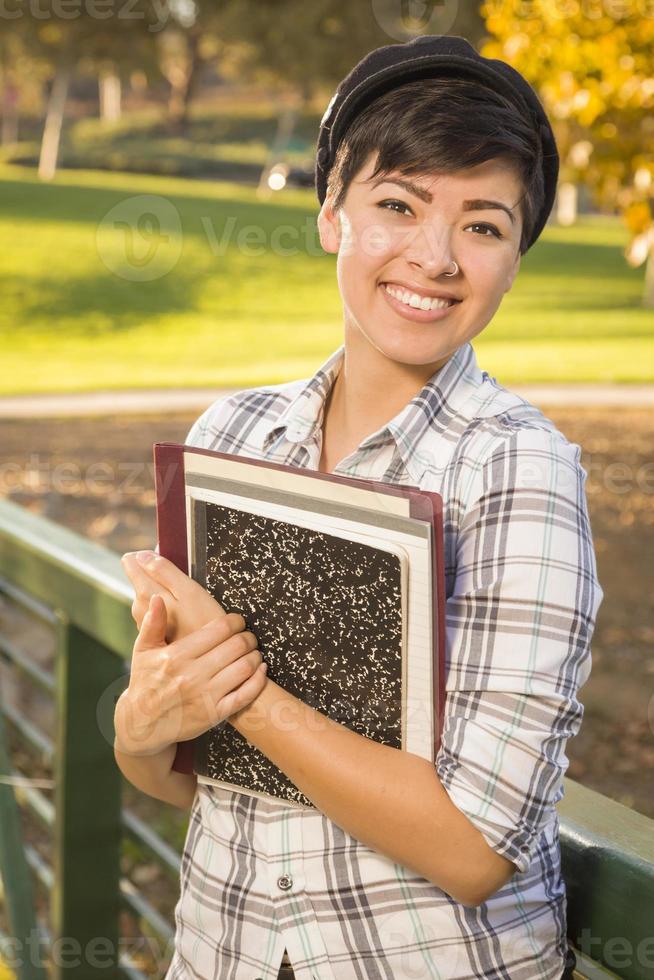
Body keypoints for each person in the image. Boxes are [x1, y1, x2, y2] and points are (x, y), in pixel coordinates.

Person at [115, 35, 602, 980]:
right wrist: (143, 726)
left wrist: (245, 691)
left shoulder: (522, 470)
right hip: (225, 955)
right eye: (397, 205)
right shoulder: (234, 435)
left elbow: (471, 853)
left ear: (514, 258)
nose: (434, 256)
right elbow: (190, 779)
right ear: (332, 215)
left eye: (484, 225)